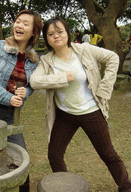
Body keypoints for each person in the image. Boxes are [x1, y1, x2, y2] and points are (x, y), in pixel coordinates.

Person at [30, 16, 131, 192]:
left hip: (91, 112)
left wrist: (104, 89)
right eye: (51, 33)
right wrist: (62, 78)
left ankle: (126, 187)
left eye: (60, 31)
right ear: (46, 38)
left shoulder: (84, 50)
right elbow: (35, 81)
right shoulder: (47, 60)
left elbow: (113, 58)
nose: (56, 36)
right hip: (65, 115)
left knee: (108, 154)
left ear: (67, 33)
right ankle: (64, 187)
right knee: (54, 155)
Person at [0, 9, 43, 192]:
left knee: (22, 158)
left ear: (34, 32)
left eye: (25, 23)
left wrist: (25, 93)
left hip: (11, 115)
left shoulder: (34, 59)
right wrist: (8, 97)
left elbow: (32, 84)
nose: (19, 26)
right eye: (18, 21)